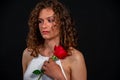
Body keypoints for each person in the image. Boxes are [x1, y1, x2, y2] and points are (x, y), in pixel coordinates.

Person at [22, 0, 87, 80]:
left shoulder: (75, 58)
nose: (43, 26)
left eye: (50, 20)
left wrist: (59, 77)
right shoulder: (28, 53)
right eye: (40, 21)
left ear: (61, 23)